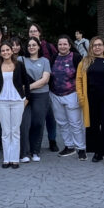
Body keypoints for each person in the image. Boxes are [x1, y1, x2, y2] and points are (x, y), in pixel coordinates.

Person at [76, 37, 104, 166]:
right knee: (94, 126)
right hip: (91, 100)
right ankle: (98, 152)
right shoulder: (85, 62)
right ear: (91, 47)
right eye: (94, 45)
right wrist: (81, 97)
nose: (97, 47)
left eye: (99, 45)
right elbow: (79, 80)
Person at [0, 40, 30, 168]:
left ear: (12, 51)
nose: (5, 52)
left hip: (17, 101)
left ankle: (14, 159)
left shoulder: (19, 65)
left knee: (15, 131)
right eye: (3, 50)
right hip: (2, 102)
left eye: (7, 50)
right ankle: (6, 159)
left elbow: (27, 82)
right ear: (0, 53)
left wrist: (26, 98)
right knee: (5, 131)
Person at [51, 36, 86, 160]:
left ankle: (81, 148)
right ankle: (69, 146)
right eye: (60, 44)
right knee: (62, 122)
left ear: (69, 45)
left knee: (75, 123)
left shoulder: (76, 57)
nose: (62, 46)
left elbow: (82, 76)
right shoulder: (54, 58)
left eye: (65, 44)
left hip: (72, 94)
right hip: (55, 95)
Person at [27, 23, 59, 152]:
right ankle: (32, 143)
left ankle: (52, 140)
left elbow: (56, 60)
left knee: (50, 115)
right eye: (31, 31)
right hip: (32, 89)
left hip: (48, 86)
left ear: (39, 32)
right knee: (35, 116)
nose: (33, 33)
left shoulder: (49, 47)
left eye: (35, 31)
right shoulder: (28, 47)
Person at [20, 37, 51, 163]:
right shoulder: (21, 60)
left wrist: (28, 87)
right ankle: (24, 152)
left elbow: (45, 80)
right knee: (24, 124)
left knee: (38, 123)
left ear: (38, 46)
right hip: (24, 97)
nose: (31, 47)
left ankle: (35, 151)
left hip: (41, 95)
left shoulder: (45, 61)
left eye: (34, 45)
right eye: (29, 45)